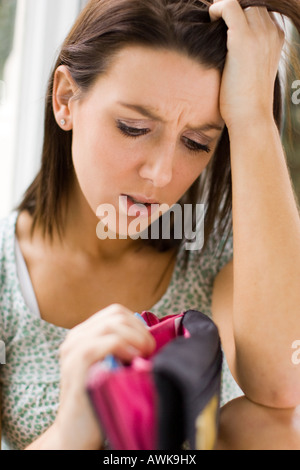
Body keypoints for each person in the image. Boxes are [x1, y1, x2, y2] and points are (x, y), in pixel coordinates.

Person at [0, 0, 300, 450]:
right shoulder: (8, 273)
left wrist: (254, 117)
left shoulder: (218, 245)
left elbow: (284, 385)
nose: (161, 174)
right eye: (133, 127)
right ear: (65, 98)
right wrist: (70, 433)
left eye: (196, 142)